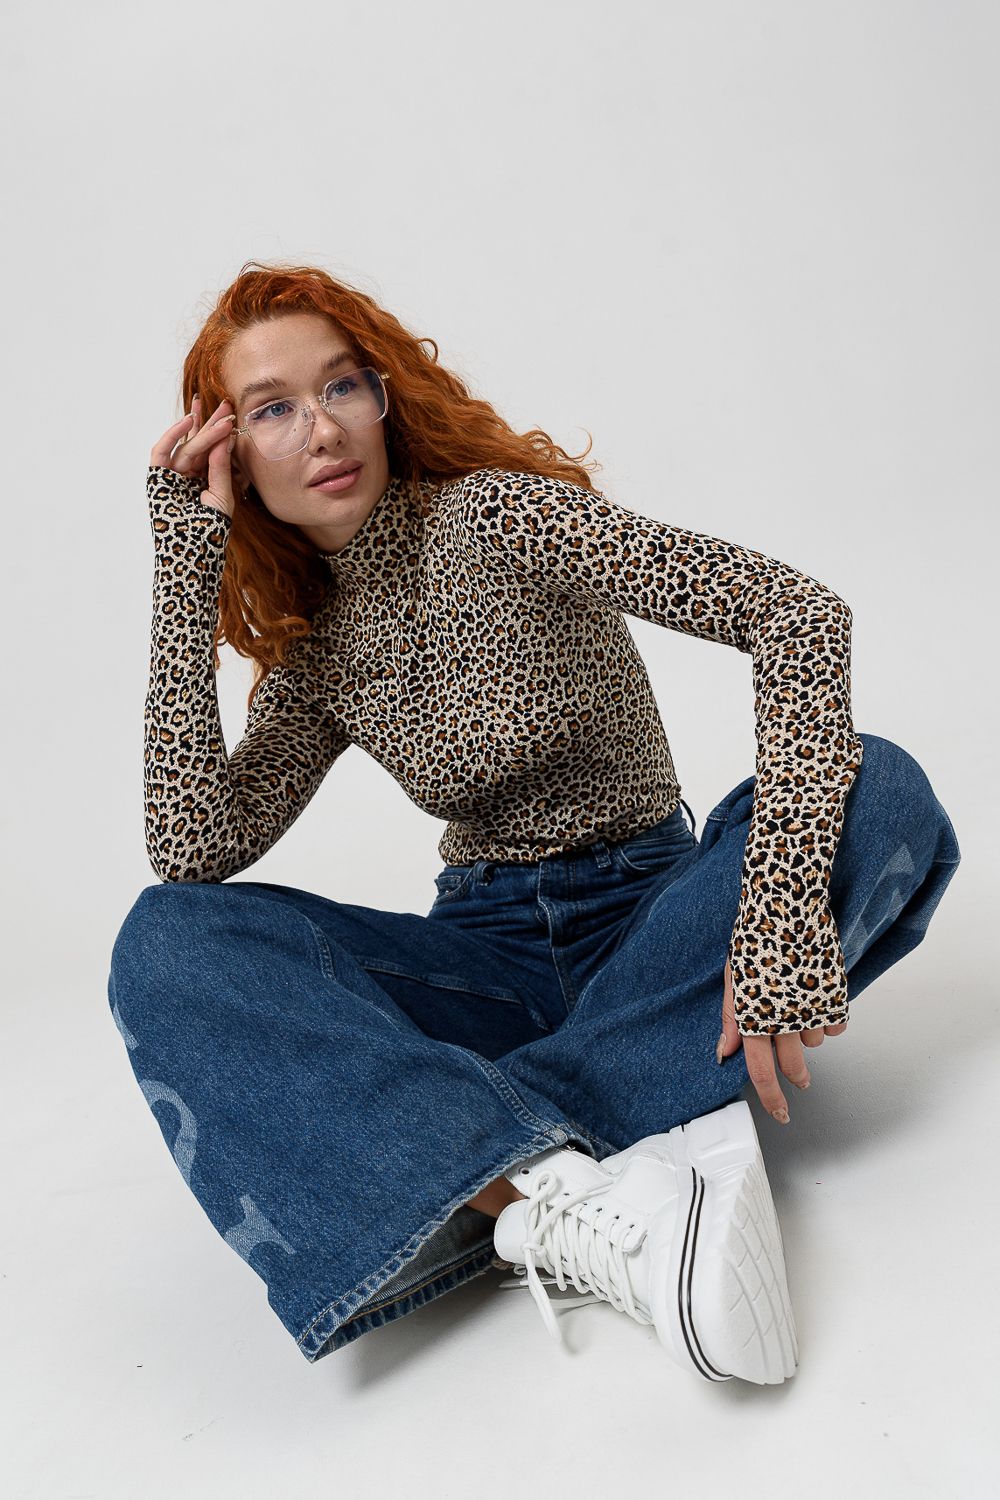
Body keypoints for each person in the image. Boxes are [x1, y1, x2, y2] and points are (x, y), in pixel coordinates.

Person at [108, 259, 961, 1385]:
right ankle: (611, 1148)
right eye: (272, 409)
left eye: (342, 385)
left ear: (384, 396)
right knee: (169, 938)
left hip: (661, 913)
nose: (322, 428)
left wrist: (776, 910)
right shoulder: (317, 658)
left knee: (882, 787)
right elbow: (191, 848)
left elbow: (795, 614)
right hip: (490, 964)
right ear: (231, 458)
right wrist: (184, 565)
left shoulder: (499, 516)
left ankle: (487, 1166)